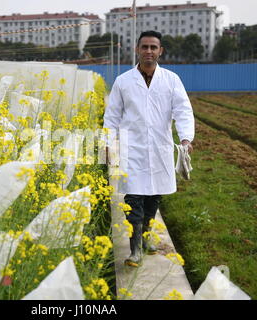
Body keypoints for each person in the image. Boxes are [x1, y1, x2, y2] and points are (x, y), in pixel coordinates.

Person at [103, 31, 195, 267]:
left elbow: (182, 110)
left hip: (159, 147)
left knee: (154, 196)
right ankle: (135, 249)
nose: (149, 51)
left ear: (160, 51)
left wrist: (185, 139)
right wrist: (107, 142)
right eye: (144, 47)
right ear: (137, 50)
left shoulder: (171, 80)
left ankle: (145, 238)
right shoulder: (123, 81)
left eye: (154, 47)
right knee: (133, 198)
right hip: (131, 149)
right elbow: (112, 116)